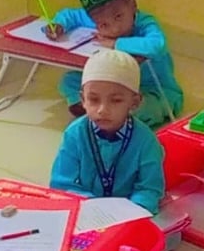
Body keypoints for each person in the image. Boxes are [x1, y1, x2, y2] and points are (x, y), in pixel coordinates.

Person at [46, 0, 183, 127]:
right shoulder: (100, 17)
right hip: (111, 86)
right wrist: (59, 24)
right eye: (104, 25)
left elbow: (157, 44)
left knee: (145, 107)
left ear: (133, 5)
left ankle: (112, 114)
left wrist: (116, 43)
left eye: (118, 17)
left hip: (154, 90)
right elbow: (71, 15)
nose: (115, 28)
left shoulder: (145, 23)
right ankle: (90, 110)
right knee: (69, 81)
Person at [50, 49, 165, 214]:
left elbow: (149, 189)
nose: (102, 110)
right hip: (85, 212)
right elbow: (62, 185)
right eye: (94, 100)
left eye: (116, 100)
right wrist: (94, 207)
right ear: (82, 100)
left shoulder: (146, 141)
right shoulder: (74, 135)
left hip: (129, 215)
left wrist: (131, 212)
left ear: (135, 102)